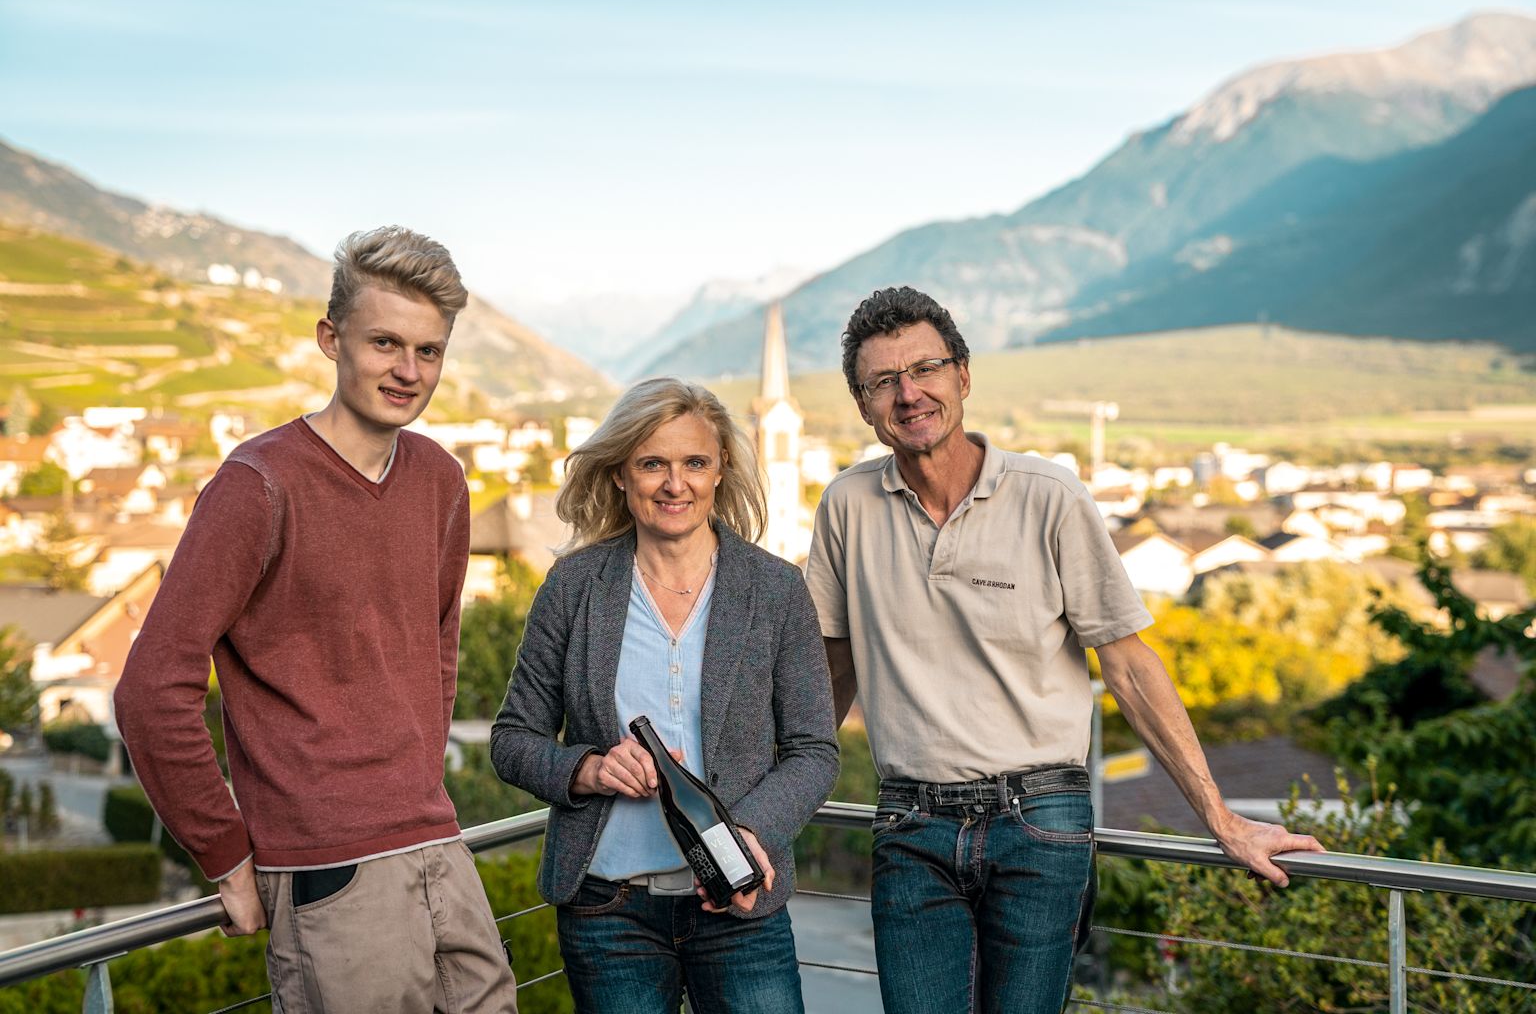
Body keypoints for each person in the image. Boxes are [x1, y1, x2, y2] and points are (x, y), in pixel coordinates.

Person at [805, 286, 1324, 1014]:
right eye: (883, 381)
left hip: (1039, 823)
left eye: (925, 369)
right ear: (862, 405)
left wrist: (1222, 819)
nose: (908, 393)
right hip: (910, 825)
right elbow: (831, 673)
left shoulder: (1050, 496)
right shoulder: (846, 507)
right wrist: (771, 814)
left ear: (963, 375)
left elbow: (1131, 667)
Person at [114, 227, 519, 1013]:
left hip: (439, 843)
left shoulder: (441, 480)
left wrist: (413, 783)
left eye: (429, 352)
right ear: (331, 340)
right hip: (329, 874)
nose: (409, 371)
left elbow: (437, 652)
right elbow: (149, 691)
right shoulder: (256, 486)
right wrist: (227, 856)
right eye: (385, 343)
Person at [491, 377, 838, 1014]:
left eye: (694, 463)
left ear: (721, 471)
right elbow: (513, 739)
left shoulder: (776, 589)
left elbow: (814, 750)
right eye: (653, 463)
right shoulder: (574, 587)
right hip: (608, 908)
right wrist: (587, 769)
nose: (675, 484)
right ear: (621, 474)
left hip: (742, 905)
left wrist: (752, 834)